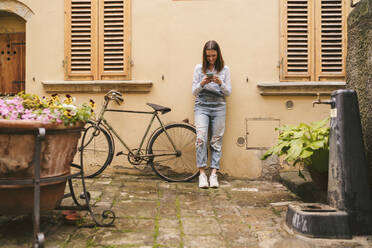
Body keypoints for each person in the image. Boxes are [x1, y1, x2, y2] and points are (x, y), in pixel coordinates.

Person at [192, 40, 232, 188]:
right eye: (208, 56)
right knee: (201, 139)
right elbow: (194, 91)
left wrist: (220, 82)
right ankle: (202, 174)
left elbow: (228, 93)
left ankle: (214, 174)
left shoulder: (225, 69)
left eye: (213, 56)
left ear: (218, 54)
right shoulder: (198, 68)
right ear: (204, 55)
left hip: (219, 106)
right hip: (202, 105)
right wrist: (202, 83)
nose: (211, 59)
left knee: (216, 141)